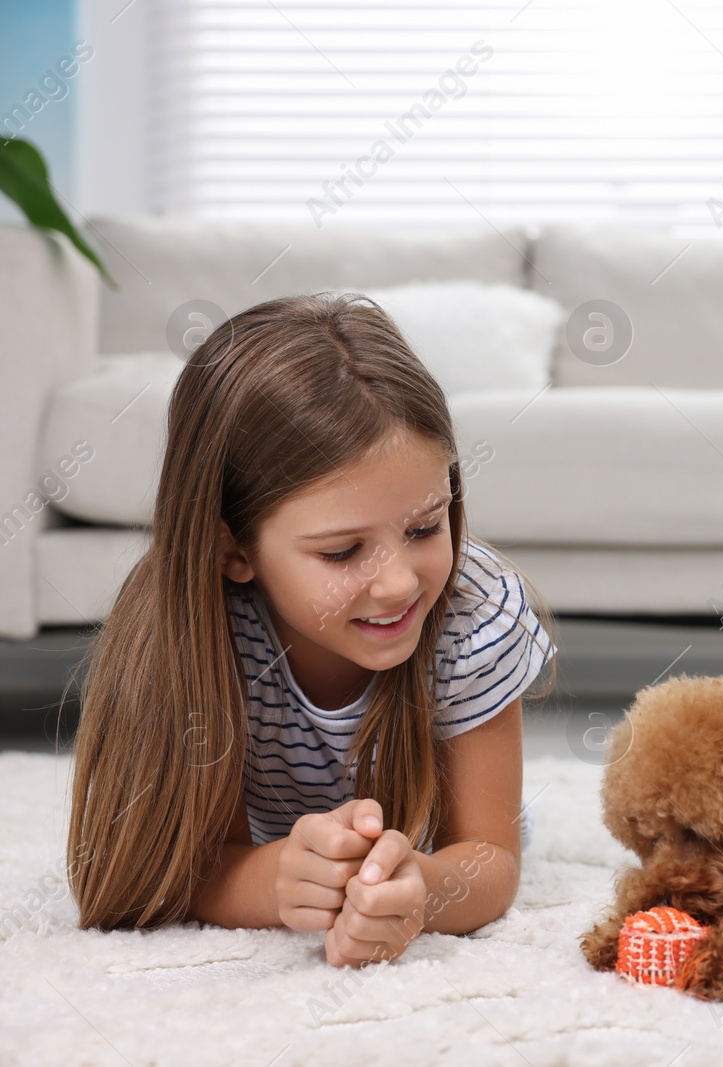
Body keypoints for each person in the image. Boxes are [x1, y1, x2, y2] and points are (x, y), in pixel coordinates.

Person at [66, 293, 557, 968]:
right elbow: (172, 868)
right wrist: (276, 880)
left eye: (423, 528)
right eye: (341, 551)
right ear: (230, 549)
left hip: (426, 847)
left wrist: (422, 888)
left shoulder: (476, 615)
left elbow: (490, 859)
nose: (398, 582)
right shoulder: (194, 630)